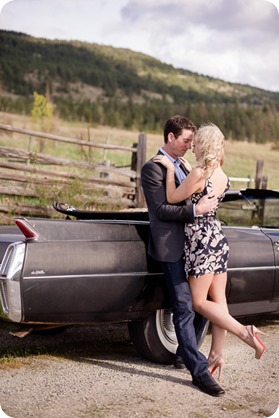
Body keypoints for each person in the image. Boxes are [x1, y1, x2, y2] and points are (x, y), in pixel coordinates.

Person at [153, 122, 267, 382]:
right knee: (219, 301)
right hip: (217, 237)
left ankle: (245, 331)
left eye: (196, 144)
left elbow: (171, 198)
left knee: (198, 302)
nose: (192, 148)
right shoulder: (222, 174)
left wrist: (170, 169)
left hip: (200, 239)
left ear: (204, 145)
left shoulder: (198, 173)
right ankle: (216, 354)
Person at [141, 115, 225, 397]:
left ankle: (183, 353)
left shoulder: (187, 166)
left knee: (203, 304)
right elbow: (161, 210)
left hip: (195, 248)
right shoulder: (152, 168)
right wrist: (196, 210)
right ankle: (198, 370)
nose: (191, 146)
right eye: (187, 140)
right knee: (185, 306)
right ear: (170, 138)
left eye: (193, 141)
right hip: (171, 248)